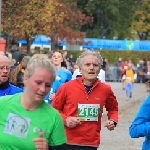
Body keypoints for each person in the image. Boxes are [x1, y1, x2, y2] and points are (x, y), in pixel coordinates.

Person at [52, 51, 118, 150]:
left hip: (90, 144)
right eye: (87, 64)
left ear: (99, 69)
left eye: (95, 65)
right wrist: (66, 120)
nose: (91, 67)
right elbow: (53, 110)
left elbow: (113, 109)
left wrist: (113, 120)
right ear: (80, 68)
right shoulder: (66, 87)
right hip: (67, 141)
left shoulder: (106, 90)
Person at [0, 54, 67, 150]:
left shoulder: (54, 117)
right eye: (38, 83)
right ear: (26, 79)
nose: (43, 89)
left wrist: (48, 149)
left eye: (48, 85)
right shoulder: (3, 104)